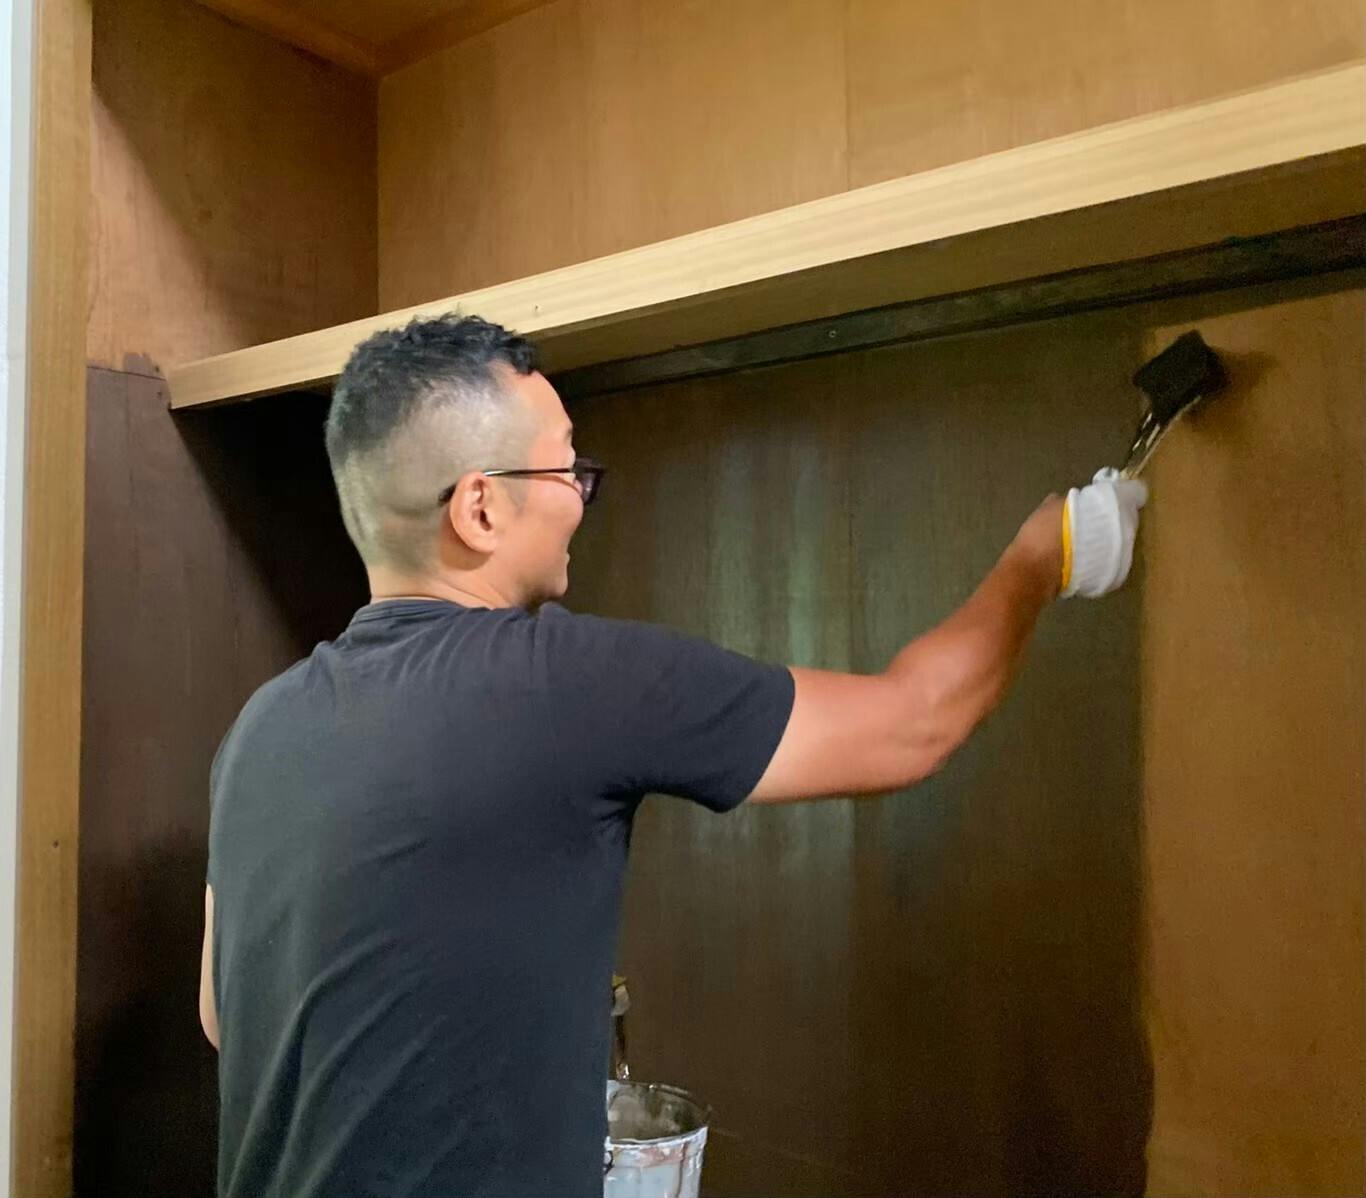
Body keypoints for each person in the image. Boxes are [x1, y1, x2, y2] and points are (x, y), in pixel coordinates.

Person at [199, 314, 1145, 1198]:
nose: (581, 496)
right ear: (480, 508)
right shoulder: (571, 682)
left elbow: (222, 1011)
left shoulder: (259, 728)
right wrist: (1042, 558)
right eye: (568, 470)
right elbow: (913, 723)